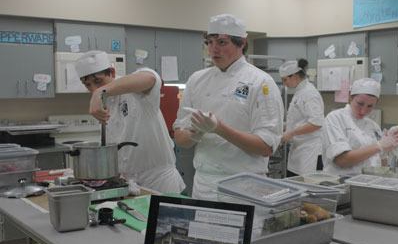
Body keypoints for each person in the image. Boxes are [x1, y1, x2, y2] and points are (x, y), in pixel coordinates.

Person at [173, 13, 284, 200]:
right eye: (209, 42)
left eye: (222, 43)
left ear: (241, 43)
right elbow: (180, 138)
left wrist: (219, 129)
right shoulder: (197, 80)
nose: (213, 49)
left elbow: (266, 147)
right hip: (203, 185)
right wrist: (196, 133)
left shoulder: (261, 82)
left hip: (243, 187)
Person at [74, 50, 185, 193]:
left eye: (98, 81)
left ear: (112, 72)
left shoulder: (135, 89)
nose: (94, 88)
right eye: (88, 85)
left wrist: (99, 92)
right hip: (129, 185)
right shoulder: (103, 105)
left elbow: (150, 78)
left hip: (159, 181)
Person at [321, 78, 398, 176]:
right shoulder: (336, 118)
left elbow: (382, 166)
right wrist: (379, 146)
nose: (363, 111)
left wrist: (388, 148)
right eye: (360, 104)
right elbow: (342, 160)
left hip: (367, 182)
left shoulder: (373, 126)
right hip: (340, 182)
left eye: (370, 106)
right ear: (350, 98)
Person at [279, 59, 324, 177]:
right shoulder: (300, 92)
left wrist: (291, 133)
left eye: (285, 80)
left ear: (294, 76)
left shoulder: (309, 93)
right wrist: (282, 126)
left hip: (309, 152)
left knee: (306, 187)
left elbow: (316, 123)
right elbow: (299, 119)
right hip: (299, 149)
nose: (284, 83)